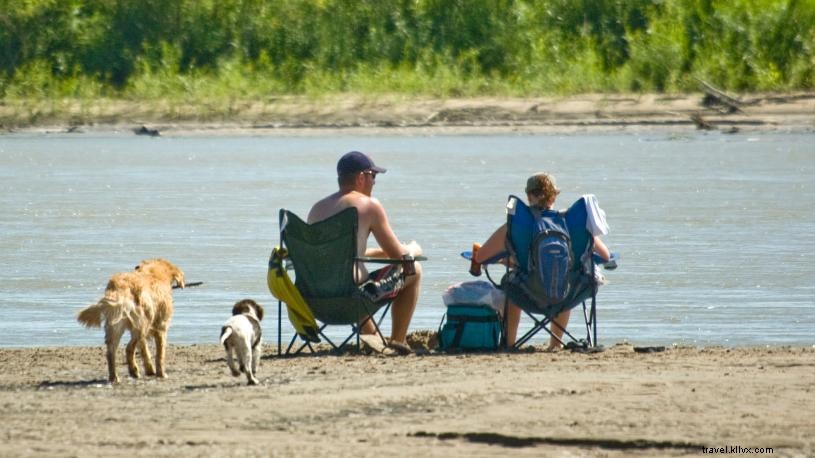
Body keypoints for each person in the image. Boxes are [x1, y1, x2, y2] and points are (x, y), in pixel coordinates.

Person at [474, 172, 610, 351]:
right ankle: (555, 344)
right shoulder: (571, 223)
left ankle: (509, 343)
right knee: (566, 275)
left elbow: (481, 257)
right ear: (554, 196)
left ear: (528, 195)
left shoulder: (516, 225)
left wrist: (505, 261)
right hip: (567, 296)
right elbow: (606, 257)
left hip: (528, 294)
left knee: (511, 283)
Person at [308, 151, 422, 355]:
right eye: (373, 176)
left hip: (315, 301)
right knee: (415, 270)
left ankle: (373, 339)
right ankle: (398, 341)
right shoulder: (369, 206)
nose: (375, 182)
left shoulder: (317, 209)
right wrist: (413, 248)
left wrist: (376, 253)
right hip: (353, 300)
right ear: (361, 177)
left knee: (355, 278)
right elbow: (399, 256)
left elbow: (337, 254)